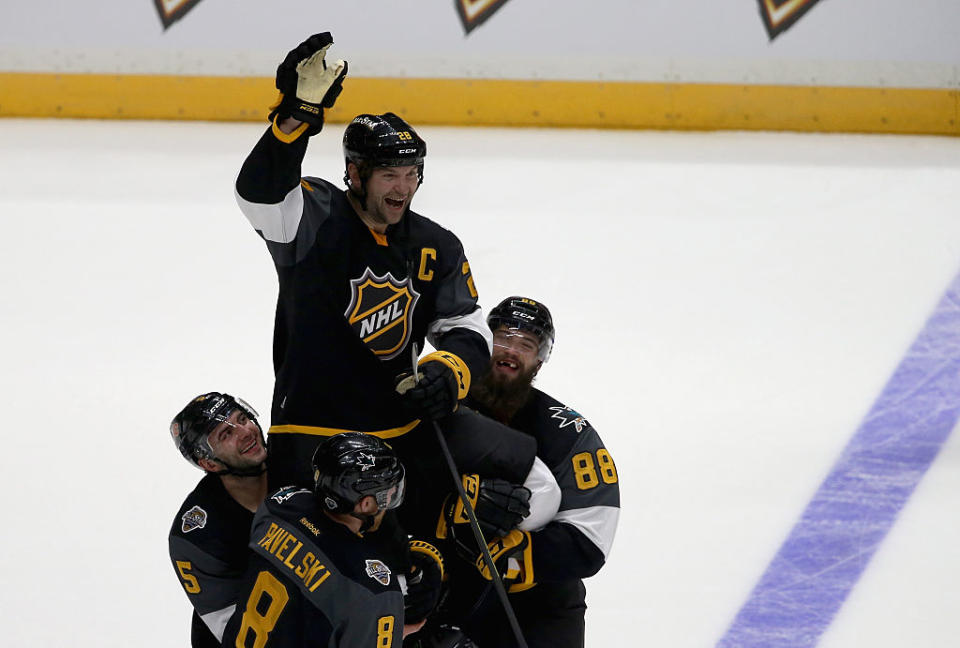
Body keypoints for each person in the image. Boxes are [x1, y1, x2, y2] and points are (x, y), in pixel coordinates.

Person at [234, 32, 557, 542]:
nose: (403, 187)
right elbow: (258, 191)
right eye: (390, 174)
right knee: (339, 559)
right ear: (355, 173)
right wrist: (295, 116)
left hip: (405, 428)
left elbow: (463, 325)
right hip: (313, 435)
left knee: (540, 485)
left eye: (412, 174)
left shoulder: (435, 243)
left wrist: (448, 372)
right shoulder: (313, 218)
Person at [441, 297, 621, 648]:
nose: (511, 351)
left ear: (539, 361)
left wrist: (520, 553)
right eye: (503, 338)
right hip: (446, 584)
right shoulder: (442, 403)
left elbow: (591, 538)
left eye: (526, 345)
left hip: (541, 603)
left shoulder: (567, 432)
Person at [220, 432, 448, 647]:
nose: (392, 495)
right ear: (365, 504)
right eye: (389, 491)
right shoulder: (375, 592)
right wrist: (396, 626)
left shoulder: (278, 505)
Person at [167, 392, 269, 647]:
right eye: (226, 434)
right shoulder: (196, 536)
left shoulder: (300, 467)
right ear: (209, 463)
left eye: (243, 419)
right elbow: (238, 634)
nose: (245, 432)